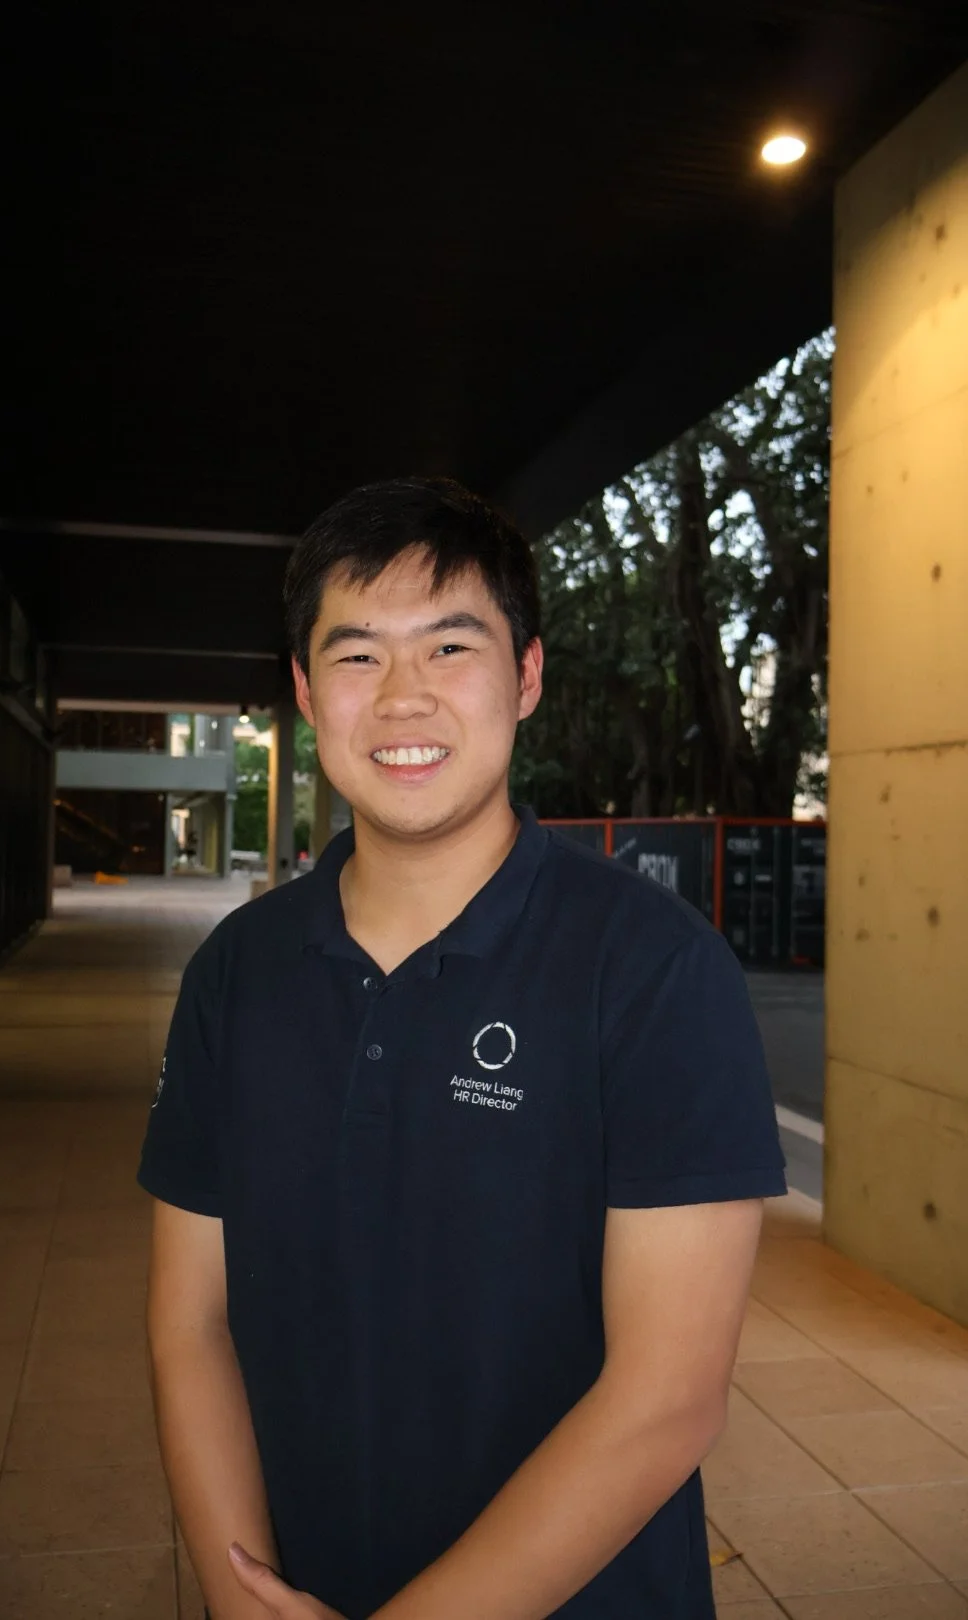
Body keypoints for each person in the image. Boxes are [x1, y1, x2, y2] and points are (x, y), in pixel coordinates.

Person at [139, 476, 786, 1620]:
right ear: (305, 691)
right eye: (357, 656)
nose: (403, 698)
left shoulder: (654, 969)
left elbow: (669, 1397)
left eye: (449, 647)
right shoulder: (235, 972)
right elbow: (191, 1320)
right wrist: (242, 1590)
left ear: (526, 676)